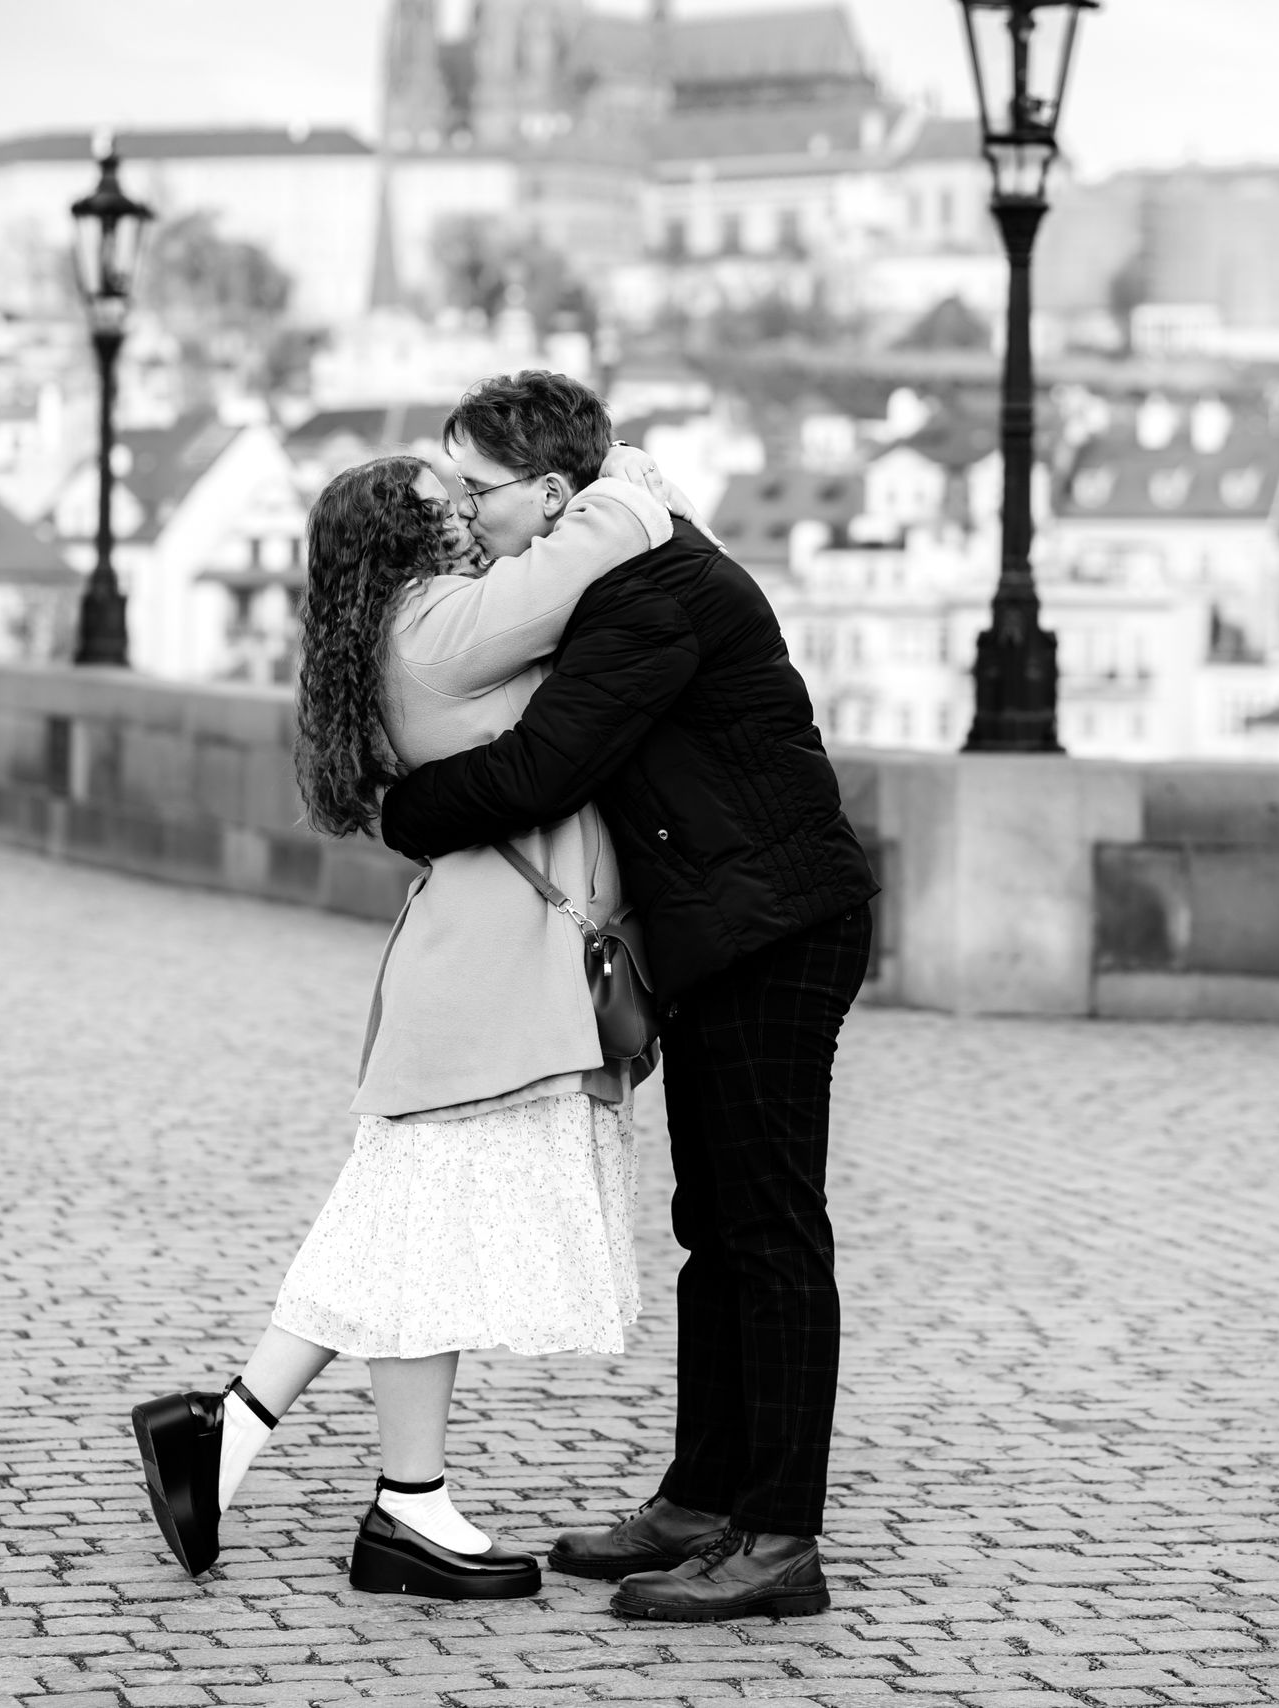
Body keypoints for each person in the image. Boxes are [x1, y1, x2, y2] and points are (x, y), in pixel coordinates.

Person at [132, 417, 683, 1600]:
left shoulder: (406, 630)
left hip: (476, 978)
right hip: (488, 986)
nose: (469, 511)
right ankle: (382, 1497)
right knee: (414, 1240)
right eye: (450, 498)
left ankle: (252, 1446)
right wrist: (629, 483)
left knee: (398, 1233)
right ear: (408, 534)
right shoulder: (435, 626)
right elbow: (586, 554)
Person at [379, 370, 879, 1624]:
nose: (467, 516)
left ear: (555, 493)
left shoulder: (647, 594)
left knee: (768, 1229)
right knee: (717, 1223)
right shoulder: (616, 567)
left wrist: (398, 809)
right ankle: (704, 1498)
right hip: (725, 925)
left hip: (775, 926)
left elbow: (545, 767)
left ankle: (778, 1536)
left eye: (481, 491)